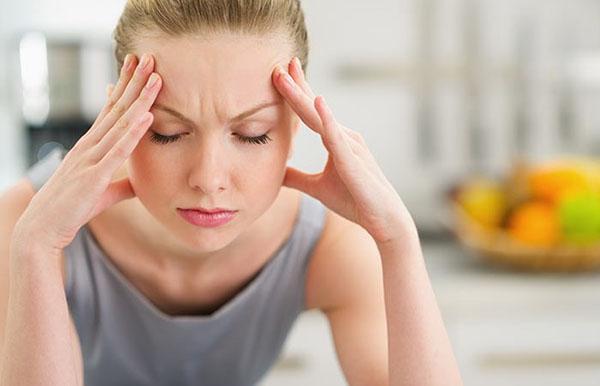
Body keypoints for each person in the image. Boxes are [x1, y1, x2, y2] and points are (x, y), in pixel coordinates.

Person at [0, 1, 463, 385]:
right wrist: (36, 249)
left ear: (295, 125)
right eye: (168, 132)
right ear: (117, 113)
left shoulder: (326, 243)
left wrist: (399, 242)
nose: (209, 178)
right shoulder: (27, 228)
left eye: (252, 134)